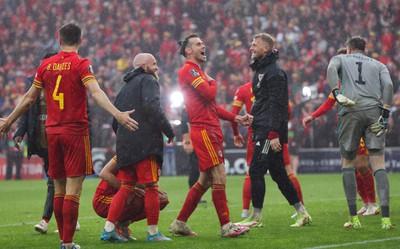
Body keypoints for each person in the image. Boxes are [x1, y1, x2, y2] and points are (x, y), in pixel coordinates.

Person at [0, 23, 138, 249]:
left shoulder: (45, 65)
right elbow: (96, 92)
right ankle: (67, 242)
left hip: (52, 133)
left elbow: (28, 98)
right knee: (74, 190)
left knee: (59, 188)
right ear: (81, 41)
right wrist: (117, 114)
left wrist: (9, 120)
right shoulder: (81, 64)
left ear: (59, 39)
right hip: (75, 131)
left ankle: (64, 239)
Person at [169, 34, 252, 238]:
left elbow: (212, 106)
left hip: (210, 128)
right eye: (198, 44)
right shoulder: (189, 70)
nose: (203, 46)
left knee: (205, 180)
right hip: (204, 130)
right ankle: (226, 226)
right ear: (188, 51)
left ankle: (179, 222)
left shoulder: (197, 71)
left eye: (202, 43)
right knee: (219, 175)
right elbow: (210, 94)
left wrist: (236, 118)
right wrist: (213, 82)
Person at [100, 53, 175, 242]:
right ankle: (153, 233)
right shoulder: (148, 80)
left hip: (125, 145)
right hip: (145, 144)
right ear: (143, 65)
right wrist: (168, 130)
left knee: (126, 187)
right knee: (151, 187)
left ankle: (108, 229)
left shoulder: (123, 89)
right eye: (154, 64)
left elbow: (115, 121)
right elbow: (152, 107)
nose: (157, 67)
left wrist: (125, 139)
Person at [324, 36, 393, 229]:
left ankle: (354, 218)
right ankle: (386, 219)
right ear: (364, 49)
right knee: (378, 163)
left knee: (348, 163)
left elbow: (330, 70)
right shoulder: (378, 64)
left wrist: (337, 93)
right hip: (374, 111)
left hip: (351, 110)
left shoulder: (341, 59)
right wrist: (385, 114)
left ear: (348, 49)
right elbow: (388, 86)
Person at [243, 33, 311, 228]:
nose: (251, 48)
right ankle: (302, 212)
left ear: (266, 48)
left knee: (256, 170)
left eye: (254, 45)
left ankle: (256, 217)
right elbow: (265, 103)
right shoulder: (262, 71)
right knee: (278, 173)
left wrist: (274, 134)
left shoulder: (274, 72)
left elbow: (279, 106)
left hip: (267, 131)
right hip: (262, 127)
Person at [302, 47, 380, 217]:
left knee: (361, 165)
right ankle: (366, 203)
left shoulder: (362, 81)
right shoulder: (339, 85)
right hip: (346, 129)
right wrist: (312, 116)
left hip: (361, 126)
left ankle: (373, 202)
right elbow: (328, 104)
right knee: (351, 168)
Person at [12, 52, 81, 234]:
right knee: (58, 181)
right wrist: (19, 132)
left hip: (61, 136)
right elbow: (27, 111)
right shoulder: (34, 85)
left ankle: (45, 220)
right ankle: (71, 216)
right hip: (43, 140)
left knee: (54, 181)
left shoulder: (67, 83)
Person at [231, 81, 305, 223]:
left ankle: (247, 214)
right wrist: (279, 128)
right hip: (276, 134)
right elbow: (287, 111)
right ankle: (301, 210)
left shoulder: (244, 89)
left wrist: (235, 133)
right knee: (285, 172)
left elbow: (234, 115)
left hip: (260, 135)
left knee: (254, 172)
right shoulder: (274, 84)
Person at [93, 155, 169, 241]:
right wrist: (131, 189)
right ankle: (113, 227)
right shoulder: (127, 150)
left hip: (125, 194)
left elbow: (139, 182)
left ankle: (123, 224)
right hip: (102, 199)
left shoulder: (146, 153)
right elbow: (104, 173)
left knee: (162, 199)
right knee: (134, 195)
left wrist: (151, 190)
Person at [180, 107, 206, 205]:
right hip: (195, 142)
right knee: (195, 169)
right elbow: (184, 126)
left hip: (203, 140)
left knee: (207, 170)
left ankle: (215, 195)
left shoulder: (198, 106)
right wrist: (187, 142)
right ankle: (194, 196)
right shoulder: (186, 109)